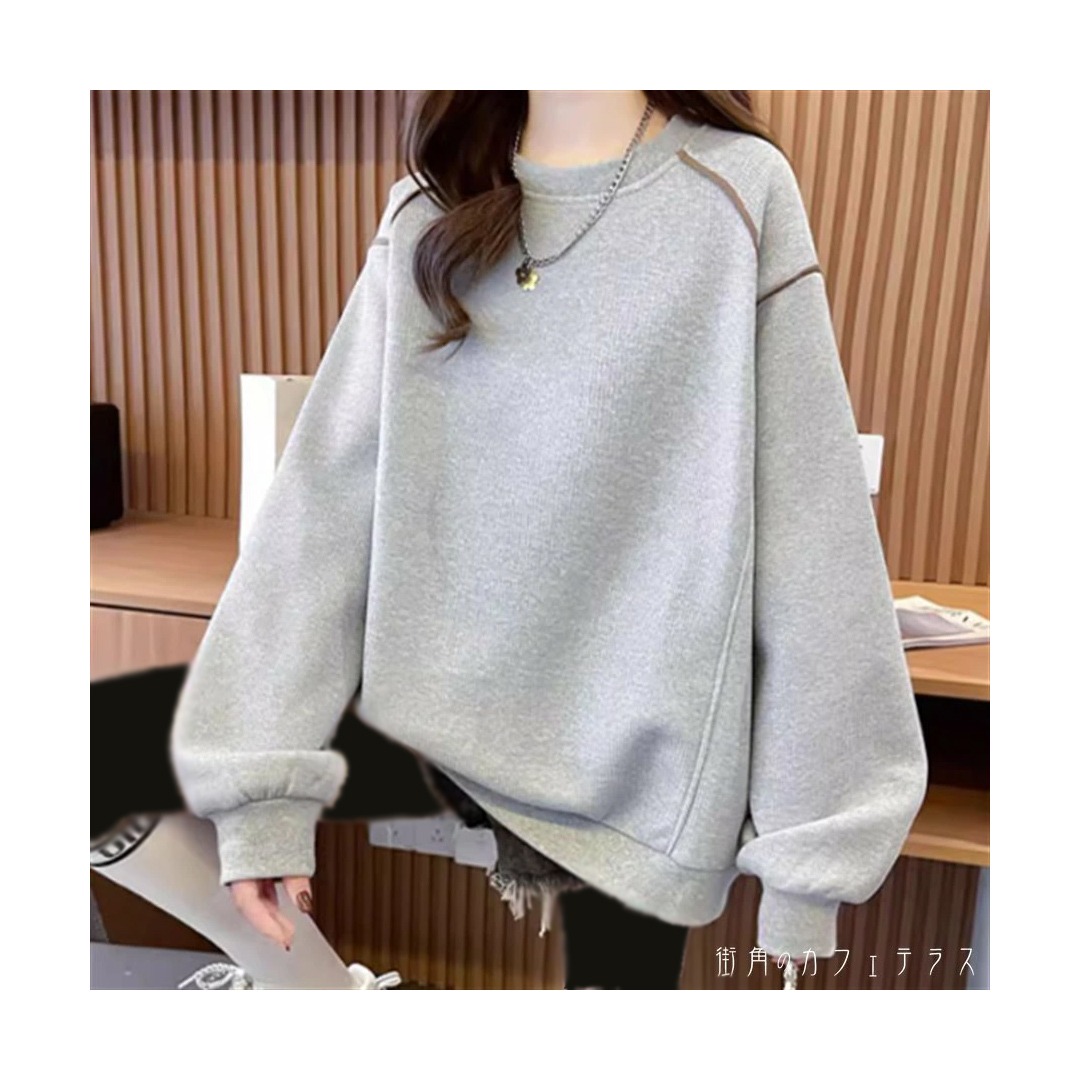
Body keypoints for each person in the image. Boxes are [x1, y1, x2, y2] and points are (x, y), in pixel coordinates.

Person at [165, 90, 930, 989]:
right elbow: (324, 504)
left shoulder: (735, 192)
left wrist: (810, 858)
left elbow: (811, 529)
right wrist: (260, 800)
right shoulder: (430, 208)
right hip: (425, 728)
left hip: (642, 772)